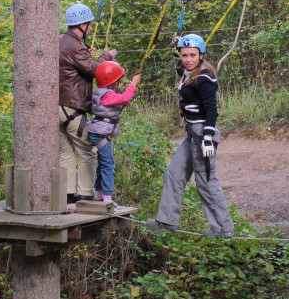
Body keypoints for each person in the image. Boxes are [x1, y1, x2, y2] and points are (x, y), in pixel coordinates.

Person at [146, 34, 235, 238]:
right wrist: (177, 45)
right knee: (174, 173)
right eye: (184, 55)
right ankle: (166, 220)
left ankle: (224, 228)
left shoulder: (204, 78)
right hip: (191, 135)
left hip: (203, 134)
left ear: (201, 55)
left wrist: (207, 137)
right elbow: (180, 68)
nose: (187, 59)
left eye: (192, 55)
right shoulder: (189, 72)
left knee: (206, 182)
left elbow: (212, 110)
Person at [59, 3, 117, 203]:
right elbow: (96, 71)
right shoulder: (74, 46)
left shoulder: (64, 41)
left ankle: (67, 194)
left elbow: (75, 64)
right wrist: (106, 56)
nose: (91, 28)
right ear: (82, 25)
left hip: (59, 106)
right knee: (87, 150)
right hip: (71, 106)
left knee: (67, 151)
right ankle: (85, 193)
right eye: (89, 25)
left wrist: (86, 53)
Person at [87, 61, 141, 205]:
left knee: (102, 164)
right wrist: (133, 84)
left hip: (99, 132)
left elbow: (120, 100)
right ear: (113, 81)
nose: (121, 84)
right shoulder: (106, 95)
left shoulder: (103, 93)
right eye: (120, 82)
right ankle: (107, 199)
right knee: (108, 165)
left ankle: (99, 194)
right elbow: (125, 98)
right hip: (101, 134)